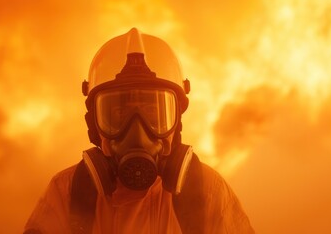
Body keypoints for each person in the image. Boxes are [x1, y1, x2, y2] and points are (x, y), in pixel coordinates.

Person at [24, 28, 255, 234]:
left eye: (153, 113)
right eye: (119, 114)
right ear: (95, 125)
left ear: (176, 121)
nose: (137, 132)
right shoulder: (70, 192)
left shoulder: (205, 191)